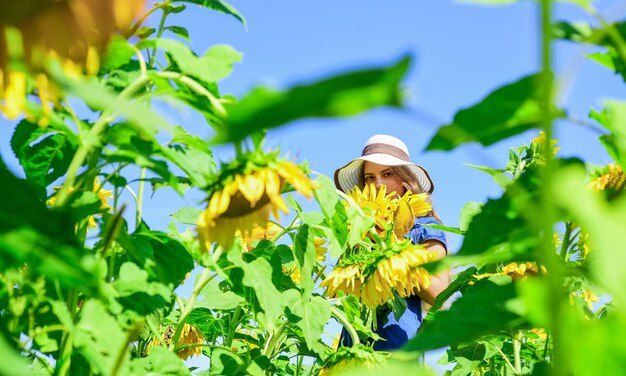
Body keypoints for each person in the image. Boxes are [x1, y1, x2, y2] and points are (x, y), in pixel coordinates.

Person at [333, 134, 450, 351]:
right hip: (353, 347)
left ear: (407, 180)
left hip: (396, 346)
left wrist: (391, 249)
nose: (377, 184)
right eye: (369, 177)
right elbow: (342, 290)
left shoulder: (423, 226)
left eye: (387, 174)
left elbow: (439, 293)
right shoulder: (358, 228)